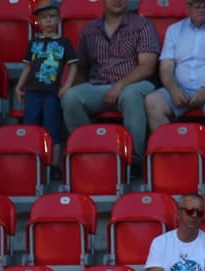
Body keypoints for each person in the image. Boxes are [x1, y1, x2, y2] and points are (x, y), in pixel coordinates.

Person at [144, 0, 205, 174]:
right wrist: (174, 89)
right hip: (182, 89)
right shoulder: (174, 30)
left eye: (204, 3)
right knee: (153, 101)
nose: (200, 7)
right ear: (187, 6)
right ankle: (177, 159)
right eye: (195, 3)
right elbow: (166, 67)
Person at [63, 0, 159, 163]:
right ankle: (88, 152)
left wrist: (119, 85)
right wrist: (66, 88)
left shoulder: (142, 25)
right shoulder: (90, 30)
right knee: (71, 98)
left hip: (134, 83)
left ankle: (133, 158)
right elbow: (81, 69)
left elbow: (147, 67)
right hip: (99, 85)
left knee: (130, 95)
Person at [16, 0, 78, 173]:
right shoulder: (33, 43)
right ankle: (31, 161)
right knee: (31, 126)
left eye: (52, 17)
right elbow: (28, 67)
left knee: (53, 126)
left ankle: (55, 164)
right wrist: (19, 86)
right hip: (32, 91)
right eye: (44, 18)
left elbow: (73, 66)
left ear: (58, 19)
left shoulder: (64, 42)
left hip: (52, 92)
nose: (48, 21)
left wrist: (66, 87)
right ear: (38, 22)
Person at [146, 192, 205, 271]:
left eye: (199, 213)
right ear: (178, 214)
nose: (195, 215)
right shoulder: (159, 242)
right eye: (189, 211)